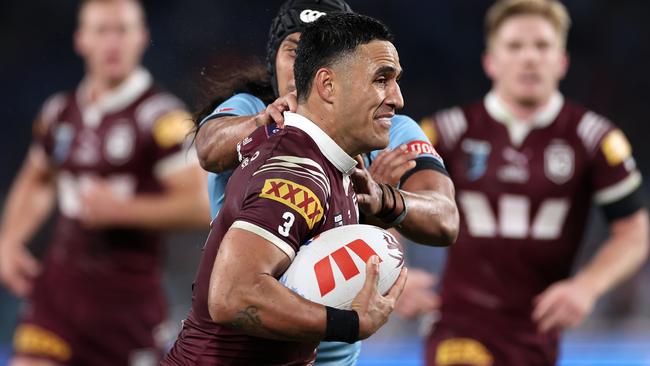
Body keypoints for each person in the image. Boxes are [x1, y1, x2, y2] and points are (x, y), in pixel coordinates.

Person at [194, 1, 459, 363]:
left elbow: (445, 218)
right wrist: (265, 125)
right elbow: (208, 149)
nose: (304, 61)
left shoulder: (386, 126)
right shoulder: (252, 111)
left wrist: (383, 200)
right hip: (246, 344)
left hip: (333, 352)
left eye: (319, 49)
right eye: (293, 50)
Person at [161, 13, 409, 365]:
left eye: (395, 81)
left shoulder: (331, 167)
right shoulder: (298, 172)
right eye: (381, 80)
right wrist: (351, 323)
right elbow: (232, 295)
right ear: (327, 86)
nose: (396, 99)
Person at [420, 0, 649, 365]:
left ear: (562, 61)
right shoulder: (445, 133)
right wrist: (393, 274)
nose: (529, 58)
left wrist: (587, 287)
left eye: (542, 46)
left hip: (538, 336)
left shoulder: (592, 139)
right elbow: (381, 197)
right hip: (458, 324)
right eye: (514, 46)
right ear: (490, 62)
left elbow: (635, 231)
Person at [0, 0, 210, 365]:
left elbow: (203, 203)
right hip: (57, 301)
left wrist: (122, 210)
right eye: (102, 31)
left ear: (142, 38)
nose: (112, 43)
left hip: (126, 311)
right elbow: (37, 180)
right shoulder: (59, 113)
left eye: (123, 30)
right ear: (81, 40)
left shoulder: (160, 119)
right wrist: (8, 241)